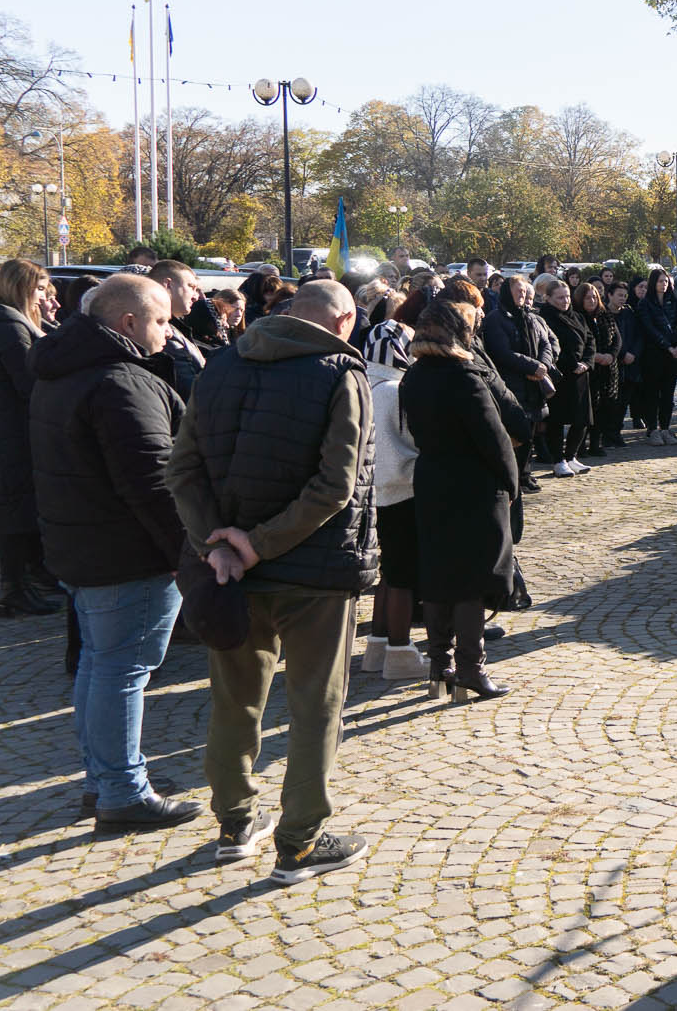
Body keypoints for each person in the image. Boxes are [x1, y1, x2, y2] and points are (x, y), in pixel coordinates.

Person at [167, 278, 377, 882]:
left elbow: (183, 469)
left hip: (231, 568)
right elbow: (335, 486)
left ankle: (235, 824)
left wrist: (222, 545)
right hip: (311, 572)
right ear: (342, 322)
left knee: (235, 697)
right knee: (317, 703)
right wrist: (252, 547)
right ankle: (301, 841)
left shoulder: (221, 364)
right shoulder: (340, 372)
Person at [29, 274, 200, 831]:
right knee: (121, 670)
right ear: (128, 323)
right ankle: (122, 791)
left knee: (101, 665)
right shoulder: (118, 382)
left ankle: (105, 780)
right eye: (160, 320)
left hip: (82, 545)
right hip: (124, 553)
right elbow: (153, 480)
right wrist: (186, 550)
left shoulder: (64, 370)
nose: (168, 330)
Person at [403, 299, 520, 702]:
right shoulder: (464, 376)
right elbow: (495, 439)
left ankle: (440, 665)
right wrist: (511, 483)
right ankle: (471, 667)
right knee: (473, 577)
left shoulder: (413, 376)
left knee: (439, 576)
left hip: (433, 480)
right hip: (472, 485)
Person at [362, 327, 428, 680]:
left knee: (390, 574)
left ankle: (378, 644)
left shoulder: (365, 383)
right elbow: (404, 442)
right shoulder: (394, 390)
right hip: (400, 489)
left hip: (376, 491)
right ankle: (399, 651)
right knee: (402, 574)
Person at [0, 260, 63, 616]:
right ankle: (13, 588)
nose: (43, 298)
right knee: (14, 513)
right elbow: (29, 380)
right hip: (13, 432)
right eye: (39, 289)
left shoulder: (13, 323)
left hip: (15, 429)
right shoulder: (10, 325)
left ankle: (25, 580)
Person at [484, 275, 556, 484]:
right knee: (515, 433)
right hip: (512, 384)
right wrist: (532, 366)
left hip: (534, 385)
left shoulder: (531, 317)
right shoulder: (495, 319)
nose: (522, 295)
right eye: (518, 291)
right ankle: (513, 475)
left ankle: (525, 473)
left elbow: (546, 344)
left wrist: (543, 366)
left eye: (524, 292)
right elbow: (501, 352)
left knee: (531, 433)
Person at [537, 277, 594, 477]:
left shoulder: (578, 316)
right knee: (557, 420)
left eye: (567, 297)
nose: (565, 301)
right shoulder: (545, 317)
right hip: (560, 374)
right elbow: (550, 345)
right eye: (560, 298)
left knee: (582, 419)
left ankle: (571, 456)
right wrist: (572, 364)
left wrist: (587, 362)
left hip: (581, 373)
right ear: (549, 298)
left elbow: (590, 340)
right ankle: (558, 460)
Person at [634, 269, 677, 444]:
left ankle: (665, 427)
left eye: (665, 281)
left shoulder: (674, 301)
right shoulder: (645, 303)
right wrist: (667, 347)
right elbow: (649, 328)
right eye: (660, 281)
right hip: (653, 355)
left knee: (668, 394)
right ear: (653, 283)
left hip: (673, 356)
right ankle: (652, 429)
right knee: (652, 393)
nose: (663, 285)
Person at [144, 260, 209, 400]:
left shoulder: (174, 327)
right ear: (168, 285)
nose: (196, 296)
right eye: (191, 287)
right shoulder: (157, 333)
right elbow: (192, 394)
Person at [580, 282, 624, 453]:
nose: (591, 300)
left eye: (594, 297)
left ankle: (596, 443)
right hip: (590, 369)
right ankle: (581, 445)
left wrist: (611, 355)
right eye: (587, 297)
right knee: (589, 408)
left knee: (605, 407)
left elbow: (617, 339)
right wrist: (595, 357)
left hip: (608, 367)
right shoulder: (578, 316)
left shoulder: (605, 315)